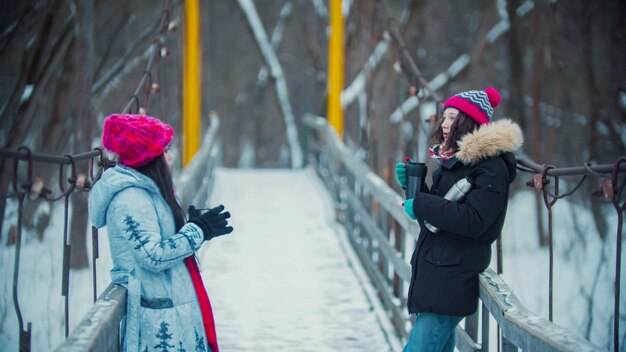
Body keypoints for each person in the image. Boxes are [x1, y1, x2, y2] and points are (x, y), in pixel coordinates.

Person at [89, 113, 233, 352]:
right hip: (158, 323)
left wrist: (190, 226)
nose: (171, 155)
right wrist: (197, 231)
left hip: (169, 314)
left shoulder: (147, 191)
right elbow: (153, 255)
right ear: (147, 159)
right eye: (165, 150)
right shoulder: (130, 199)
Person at [395, 87, 523, 352]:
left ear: (470, 122)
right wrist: (414, 189)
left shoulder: (491, 166)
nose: (444, 124)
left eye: (452, 117)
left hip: (450, 281)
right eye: (444, 117)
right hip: (436, 276)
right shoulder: (456, 162)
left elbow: (474, 221)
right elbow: (437, 223)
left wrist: (421, 203)